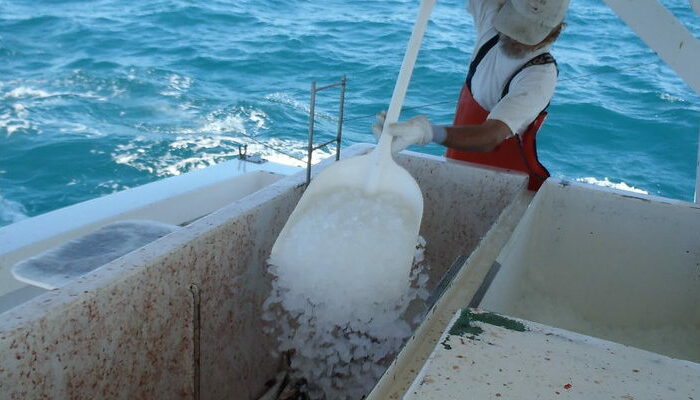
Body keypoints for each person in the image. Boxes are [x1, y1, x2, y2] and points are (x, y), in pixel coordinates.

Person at [374, 0, 569, 190]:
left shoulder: (540, 76)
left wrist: (428, 132)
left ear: (556, 31)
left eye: (529, 33)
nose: (517, 37)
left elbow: (491, 136)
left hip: (506, 182)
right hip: (458, 162)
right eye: (514, 26)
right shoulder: (492, 23)